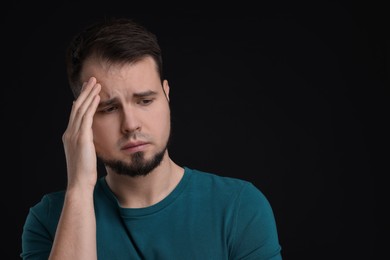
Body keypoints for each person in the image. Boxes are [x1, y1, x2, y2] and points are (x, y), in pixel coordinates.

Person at [20, 17, 283, 259]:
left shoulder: (239, 207)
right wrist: (78, 190)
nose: (131, 124)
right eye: (109, 109)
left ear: (166, 95)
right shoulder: (49, 219)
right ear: (82, 117)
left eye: (145, 100)